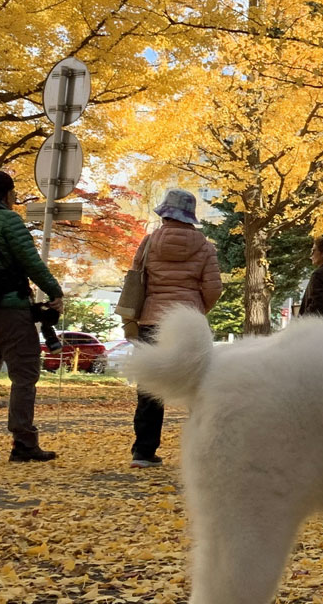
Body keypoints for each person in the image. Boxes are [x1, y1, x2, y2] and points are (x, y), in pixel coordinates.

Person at [0, 171, 64, 463]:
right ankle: (23, 442)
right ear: (8, 195)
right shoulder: (8, 220)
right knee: (25, 375)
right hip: (11, 311)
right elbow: (30, 261)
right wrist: (54, 291)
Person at [124, 189, 222, 469]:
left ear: (165, 213)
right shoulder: (205, 246)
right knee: (197, 384)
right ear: (189, 216)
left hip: (152, 320)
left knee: (150, 387)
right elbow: (213, 287)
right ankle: (203, 452)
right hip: (188, 325)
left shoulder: (149, 242)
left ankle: (143, 452)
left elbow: (135, 278)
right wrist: (196, 309)